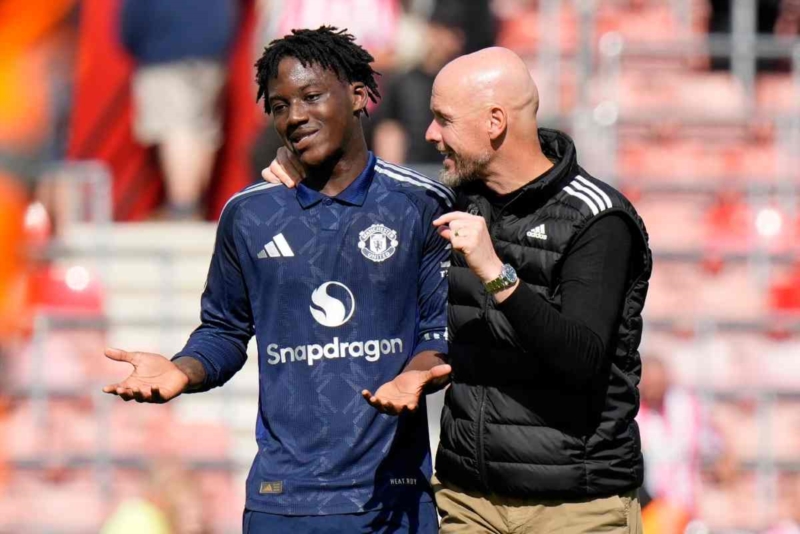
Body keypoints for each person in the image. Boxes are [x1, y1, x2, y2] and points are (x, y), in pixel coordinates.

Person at [263, 46, 653, 533]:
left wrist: (496, 273)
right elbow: (360, 223)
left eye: (444, 119)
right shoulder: (450, 201)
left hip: (575, 507)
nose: (430, 134)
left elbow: (582, 360)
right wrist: (307, 171)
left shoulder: (598, 218)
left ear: (495, 122)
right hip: (468, 503)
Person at [103, 27, 452, 533]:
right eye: (280, 105)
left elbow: (441, 331)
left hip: (390, 499)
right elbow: (224, 330)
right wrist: (183, 370)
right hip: (281, 501)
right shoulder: (249, 215)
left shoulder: (419, 205)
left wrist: (416, 374)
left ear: (358, 95)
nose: (295, 116)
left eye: (311, 97)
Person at [119, 0, 239, 220]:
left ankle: (183, 207)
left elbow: (133, 18)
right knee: (202, 132)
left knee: (176, 128)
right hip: (211, 52)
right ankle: (194, 204)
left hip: (165, 50)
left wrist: (134, 43)